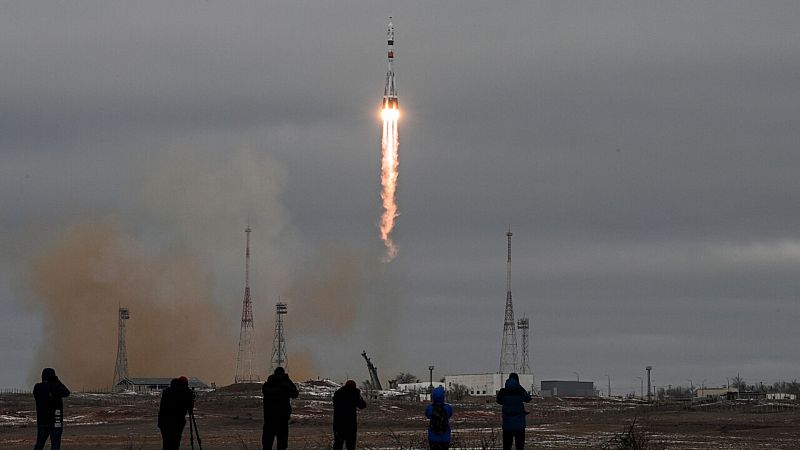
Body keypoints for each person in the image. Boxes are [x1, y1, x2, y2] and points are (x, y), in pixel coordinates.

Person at [33, 367, 70, 450]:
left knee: (40, 443)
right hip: (56, 421)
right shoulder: (56, 387)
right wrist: (57, 380)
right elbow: (66, 392)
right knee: (55, 443)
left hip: (42, 421)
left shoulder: (37, 387)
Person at [262, 367, 299, 450]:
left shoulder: (268, 385)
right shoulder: (285, 385)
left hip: (270, 419)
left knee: (267, 444)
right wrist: (287, 382)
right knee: (281, 445)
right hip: (281, 419)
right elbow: (295, 394)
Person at [496, 373, 532, 450]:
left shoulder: (503, 391)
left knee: (506, 446)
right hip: (519, 424)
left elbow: (498, 401)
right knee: (519, 446)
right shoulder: (520, 390)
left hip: (507, 424)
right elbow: (528, 399)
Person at [157, 376, 194, 450]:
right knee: (175, 442)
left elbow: (162, 407)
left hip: (164, 422)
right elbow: (190, 406)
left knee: (166, 443)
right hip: (178, 422)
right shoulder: (186, 392)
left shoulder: (167, 391)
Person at [332, 380, 367, 450]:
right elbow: (362, 405)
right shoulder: (353, 395)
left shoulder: (338, 393)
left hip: (338, 424)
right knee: (350, 446)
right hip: (350, 424)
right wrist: (358, 394)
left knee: (338, 444)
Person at [425, 386, 453, 450]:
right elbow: (450, 415)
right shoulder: (448, 407)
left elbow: (427, 415)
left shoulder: (430, 408)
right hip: (445, 438)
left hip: (433, 438)